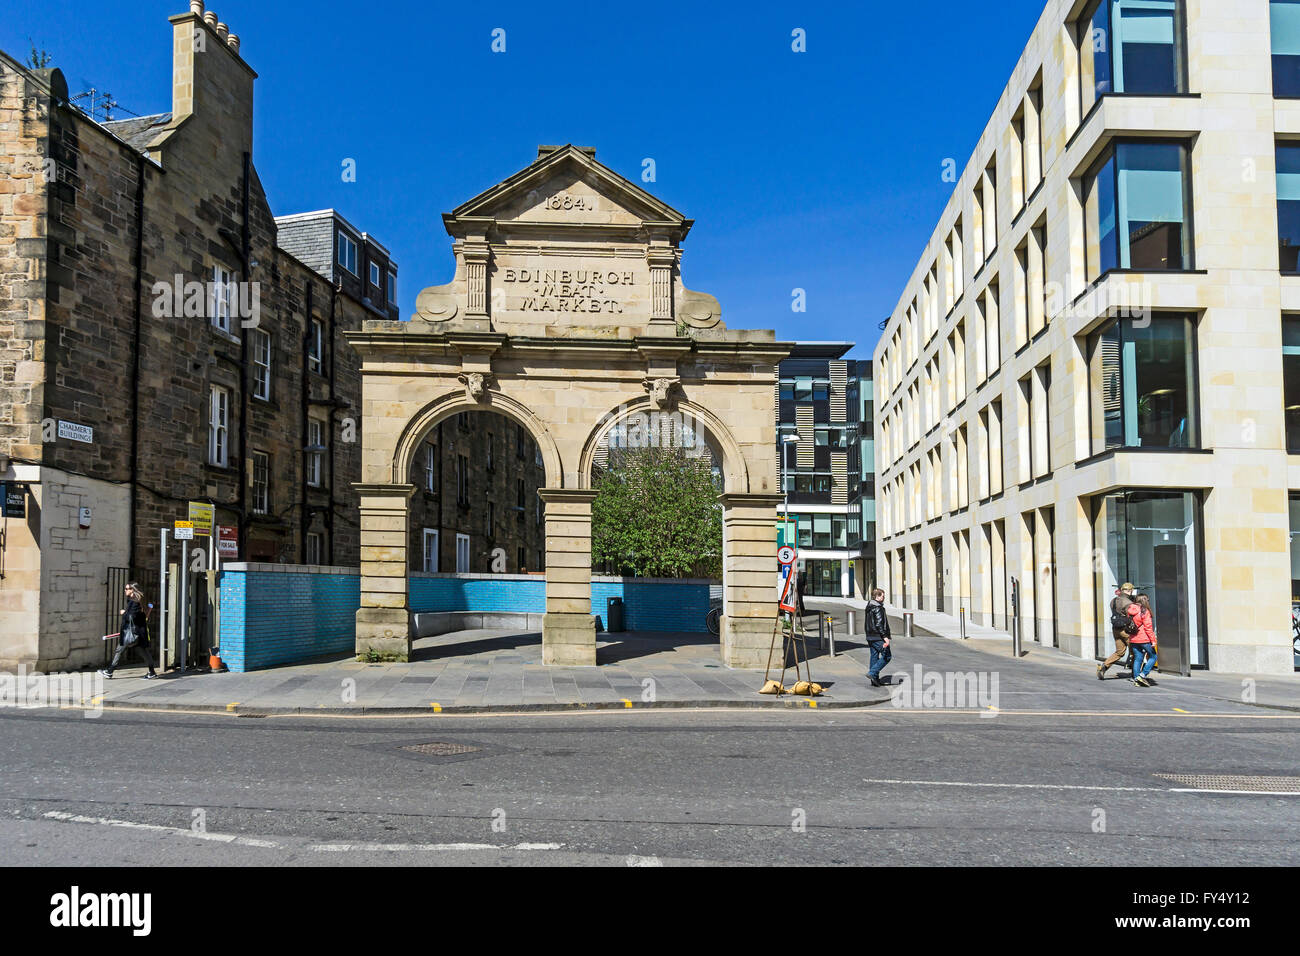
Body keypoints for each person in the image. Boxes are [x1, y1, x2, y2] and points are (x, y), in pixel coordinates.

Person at [100, 582, 158, 679]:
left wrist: (124, 613)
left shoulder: (135, 601)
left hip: (131, 632)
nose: (125, 590)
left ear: (132, 590)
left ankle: (110, 671)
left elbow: (132, 616)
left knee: (119, 650)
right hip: (139, 632)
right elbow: (142, 615)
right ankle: (152, 672)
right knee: (143, 651)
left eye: (127, 588)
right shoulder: (139, 600)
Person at [1098, 582, 1137, 680]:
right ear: (1129, 591)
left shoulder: (1113, 600)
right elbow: (1132, 614)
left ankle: (1104, 667)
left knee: (1119, 652)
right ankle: (1135, 673)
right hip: (1126, 630)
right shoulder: (1128, 603)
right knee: (1134, 652)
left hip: (1116, 628)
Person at [1127, 592, 1156, 687]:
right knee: (1153, 656)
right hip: (1144, 639)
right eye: (1147, 600)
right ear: (1144, 600)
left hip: (1133, 639)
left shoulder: (1130, 610)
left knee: (1138, 658)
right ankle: (1142, 675)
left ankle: (1136, 679)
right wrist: (1153, 640)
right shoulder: (1145, 611)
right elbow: (1148, 628)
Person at [864, 587, 892, 687]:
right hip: (878, 637)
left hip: (870, 636)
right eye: (882, 596)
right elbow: (879, 624)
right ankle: (872, 673)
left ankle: (874, 680)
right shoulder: (878, 608)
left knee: (874, 656)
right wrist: (885, 638)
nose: (884, 598)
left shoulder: (869, 606)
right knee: (887, 656)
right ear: (876, 596)